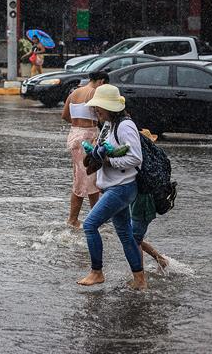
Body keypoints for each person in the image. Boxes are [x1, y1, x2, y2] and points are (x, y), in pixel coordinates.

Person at [77, 84, 147, 290]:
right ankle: (140, 280)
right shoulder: (110, 125)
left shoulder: (125, 126)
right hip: (115, 187)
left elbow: (135, 157)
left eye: (99, 107)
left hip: (122, 187)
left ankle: (97, 272)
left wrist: (109, 162)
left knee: (89, 225)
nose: (96, 111)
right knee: (126, 235)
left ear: (110, 107)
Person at [61, 71, 107, 228]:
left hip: (74, 135)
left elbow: (65, 115)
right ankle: (76, 219)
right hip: (88, 137)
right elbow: (102, 116)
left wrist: (77, 121)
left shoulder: (74, 92)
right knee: (87, 180)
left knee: (85, 178)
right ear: (101, 81)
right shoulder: (94, 93)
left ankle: (91, 217)